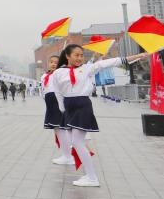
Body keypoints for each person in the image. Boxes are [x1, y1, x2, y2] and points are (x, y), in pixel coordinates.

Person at [50, 45, 148, 187]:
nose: (79, 58)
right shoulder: (59, 72)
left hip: (82, 105)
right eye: (76, 55)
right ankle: (89, 175)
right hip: (69, 107)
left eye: (81, 55)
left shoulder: (87, 69)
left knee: (77, 142)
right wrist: (62, 108)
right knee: (75, 142)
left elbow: (111, 62)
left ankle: (92, 177)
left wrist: (137, 56)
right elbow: (58, 91)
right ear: (67, 56)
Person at [41, 56, 72, 165]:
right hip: (49, 104)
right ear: (48, 63)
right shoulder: (44, 75)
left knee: (61, 129)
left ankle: (69, 156)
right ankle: (66, 155)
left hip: (57, 103)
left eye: (56, 62)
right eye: (51, 62)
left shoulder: (60, 74)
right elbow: (44, 90)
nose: (53, 64)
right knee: (57, 130)